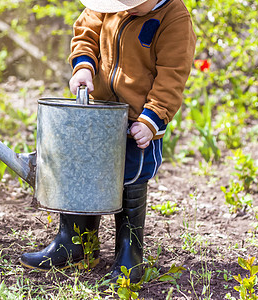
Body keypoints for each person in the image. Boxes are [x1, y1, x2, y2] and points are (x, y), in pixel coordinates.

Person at [20, 0, 196, 283]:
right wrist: (83, 68)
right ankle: (76, 243)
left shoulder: (174, 18)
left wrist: (152, 119)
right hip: (98, 113)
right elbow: (86, 33)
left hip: (138, 123)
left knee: (129, 181)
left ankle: (129, 254)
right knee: (82, 174)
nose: (123, 8)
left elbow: (172, 76)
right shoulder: (107, 6)